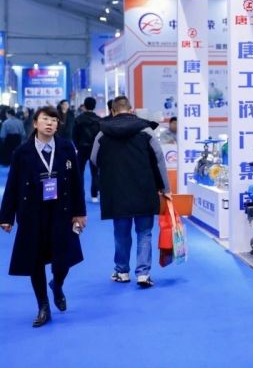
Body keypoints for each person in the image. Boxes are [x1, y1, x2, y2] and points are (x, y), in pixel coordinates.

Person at [0, 106, 86, 327]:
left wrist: (80, 212)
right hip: (32, 213)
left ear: (58, 125)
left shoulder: (67, 148)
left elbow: (76, 182)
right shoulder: (22, 152)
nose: (50, 123)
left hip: (62, 211)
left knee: (63, 260)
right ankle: (43, 306)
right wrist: (6, 216)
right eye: (45, 119)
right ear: (35, 123)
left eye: (54, 120)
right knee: (35, 261)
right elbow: (12, 186)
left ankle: (57, 284)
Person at [90, 96, 169, 288]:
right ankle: (143, 274)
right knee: (145, 232)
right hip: (144, 188)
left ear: (113, 111)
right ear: (131, 109)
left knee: (121, 233)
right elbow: (159, 159)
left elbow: (93, 159)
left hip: (116, 190)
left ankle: (122, 271)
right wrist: (165, 188)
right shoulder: (146, 130)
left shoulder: (102, 133)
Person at [72, 97, 102, 203]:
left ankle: (79, 195)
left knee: (79, 173)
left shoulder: (78, 119)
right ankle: (94, 195)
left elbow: (74, 135)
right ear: (94, 106)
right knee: (95, 173)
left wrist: (77, 146)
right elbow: (100, 136)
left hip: (81, 149)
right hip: (95, 149)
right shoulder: (99, 120)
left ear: (84, 106)